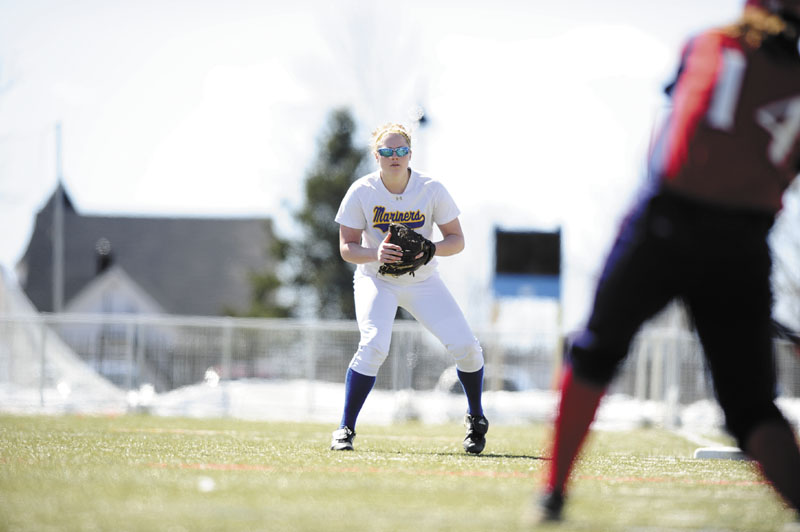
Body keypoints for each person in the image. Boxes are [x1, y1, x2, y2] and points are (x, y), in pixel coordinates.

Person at [536, 0, 800, 524]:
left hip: (665, 218)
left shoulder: (710, 42)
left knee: (594, 352)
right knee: (750, 405)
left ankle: (553, 495)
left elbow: (679, 122)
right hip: (743, 239)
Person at [330, 123, 489, 454]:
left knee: (467, 347)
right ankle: (345, 428)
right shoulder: (362, 190)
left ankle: (476, 418)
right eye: (387, 151)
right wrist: (375, 253)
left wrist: (430, 248)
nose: (395, 156)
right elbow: (346, 247)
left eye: (401, 150)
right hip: (377, 279)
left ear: (410, 154)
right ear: (376, 156)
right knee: (374, 346)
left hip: (423, 280)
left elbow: (457, 240)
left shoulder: (430, 188)